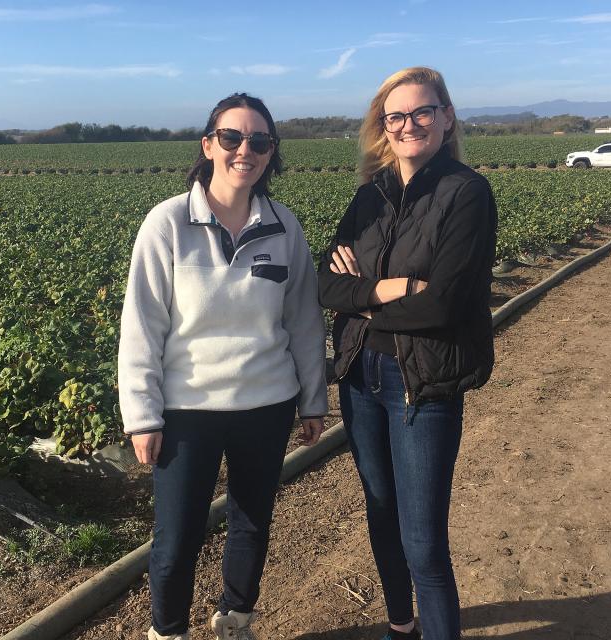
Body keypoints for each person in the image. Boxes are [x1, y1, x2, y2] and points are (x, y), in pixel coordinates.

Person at [118, 93, 328, 640]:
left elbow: (304, 318)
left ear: (270, 153)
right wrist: (142, 415)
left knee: (252, 523)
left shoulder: (284, 227)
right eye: (232, 138)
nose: (245, 150)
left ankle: (235, 620)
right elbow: (142, 324)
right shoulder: (167, 223)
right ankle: (168, 632)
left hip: (266, 403)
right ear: (209, 144)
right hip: (188, 409)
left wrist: (312, 399)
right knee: (177, 537)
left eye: (259, 141)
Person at [318, 67, 498, 640]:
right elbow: (325, 284)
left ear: (446, 118)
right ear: (382, 127)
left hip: (421, 380)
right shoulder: (370, 195)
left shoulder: (466, 192)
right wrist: (388, 289)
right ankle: (401, 625)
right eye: (396, 116)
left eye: (423, 112)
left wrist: (362, 299)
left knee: (422, 539)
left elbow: (443, 305)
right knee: (380, 511)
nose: (409, 124)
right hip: (359, 376)